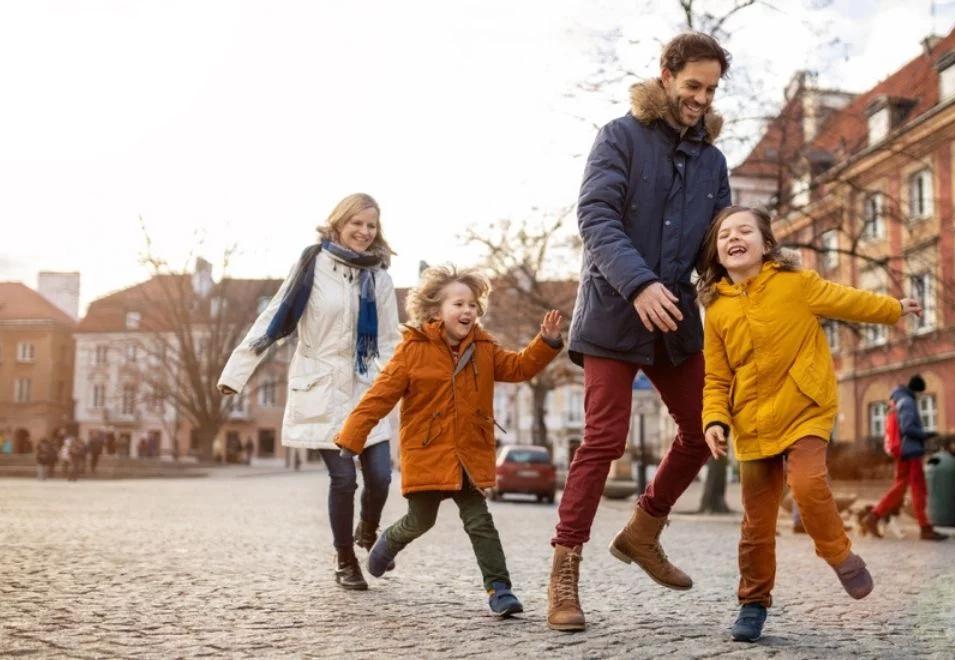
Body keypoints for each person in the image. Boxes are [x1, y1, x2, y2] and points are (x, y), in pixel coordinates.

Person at [548, 31, 732, 632]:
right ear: (665, 75)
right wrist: (639, 283)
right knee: (604, 439)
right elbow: (595, 217)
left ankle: (643, 530)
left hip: (675, 318)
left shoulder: (712, 160)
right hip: (613, 309)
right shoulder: (618, 137)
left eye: (710, 89)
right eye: (692, 86)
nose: (700, 99)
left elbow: (715, 246)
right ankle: (564, 572)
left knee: (704, 429)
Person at [698, 206, 923, 642]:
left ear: (766, 246)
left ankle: (839, 554)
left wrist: (892, 307)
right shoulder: (717, 311)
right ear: (717, 252)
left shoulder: (796, 284)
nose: (734, 237)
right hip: (753, 420)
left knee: (806, 484)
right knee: (755, 524)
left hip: (805, 406)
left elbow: (847, 299)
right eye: (725, 234)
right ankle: (752, 603)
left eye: (745, 230)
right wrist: (714, 419)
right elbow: (716, 375)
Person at [335, 266, 562, 617]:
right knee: (420, 521)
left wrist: (544, 343)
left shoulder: (484, 347)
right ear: (434, 310)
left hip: (469, 454)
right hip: (428, 453)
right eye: (459, 303)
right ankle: (386, 544)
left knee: (480, 521)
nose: (468, 310)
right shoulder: (413, 350)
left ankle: (499, 589)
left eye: (473, 304)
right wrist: (352, 439)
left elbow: (518, 368)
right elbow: (378, 398)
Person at [218, 192, 400, 591]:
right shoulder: (312, 265)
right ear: (338, 222)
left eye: (372, 226)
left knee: (382, 477)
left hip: (368, 390)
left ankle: (368, 526)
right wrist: (237, 372)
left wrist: (395, 385)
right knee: (344, 480)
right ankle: (345, 560)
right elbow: (274, 318)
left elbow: (389, 342)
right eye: (358, 224)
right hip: (321, 389)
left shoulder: (381, 277)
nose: (365, 233)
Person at [859, 375, 947, 541]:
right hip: (911, 451)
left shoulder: (897, 400)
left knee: (899, 488)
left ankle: (873, 517)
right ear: (918, 390)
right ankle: (925, 528)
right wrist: (926, 434)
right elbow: (907, 428)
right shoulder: (907, 402)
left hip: (902, 451)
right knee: (918, 489)